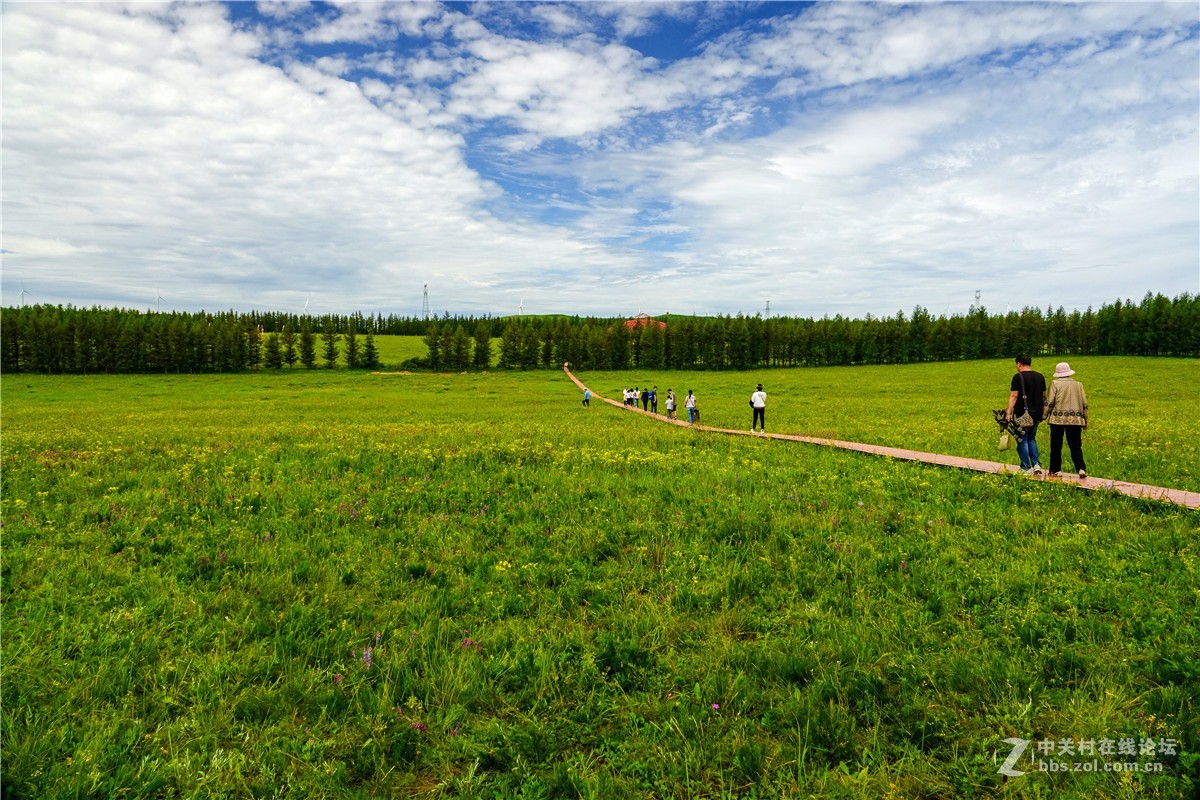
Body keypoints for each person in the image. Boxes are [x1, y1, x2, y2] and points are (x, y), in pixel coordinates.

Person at [1043, 362, 1088, 478]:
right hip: (1075, 420)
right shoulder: (1079, 385)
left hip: (1057, 420)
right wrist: (1085, 419)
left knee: (1056, 445)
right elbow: (1084, 404)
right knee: (1076, 445)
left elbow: (1050, 402)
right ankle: (1081, 468)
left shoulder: (1055, 384)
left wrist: (1044, 415)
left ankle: (1055, 470)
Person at [1005, 355, 1045, 474]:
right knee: (1032, 438)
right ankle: (1036, 464)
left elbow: (1014, 396)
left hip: (1022, 414)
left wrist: (1008, 412)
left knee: (1022, 440)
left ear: (1019, 364)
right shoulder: (1040, 377)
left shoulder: (1018, 377)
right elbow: (1044, 396)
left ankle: (1025, 467)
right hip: (1036, 414)